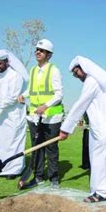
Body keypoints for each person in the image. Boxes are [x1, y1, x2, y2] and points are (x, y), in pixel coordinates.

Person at [59, 55, 106, 202]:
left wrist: (65, 129)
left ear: (83, 67)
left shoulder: (92, 81)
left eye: (76, 72)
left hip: (104, 125)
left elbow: (80, 105)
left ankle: (100, 192)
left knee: (100, 157)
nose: (75, 76)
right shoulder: (104, 79)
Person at [19, 39, 63, 187]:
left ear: (49, 55)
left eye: (42, 50)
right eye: (37, 49)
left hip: (52, 117)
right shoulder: (32, 70)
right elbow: (31, 90)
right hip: (34, 116)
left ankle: (54, 178)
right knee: (36, 147)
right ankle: (38, 176)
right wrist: (23, 96)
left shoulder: (53, 70)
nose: (38, 52)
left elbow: (59, 94)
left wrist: (45, 106)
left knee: (51, 148)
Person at [0, 49, 29, 179]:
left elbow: (12, 98)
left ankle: (14, 169)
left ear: (7, 61)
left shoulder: (16, 76)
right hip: (0, 116)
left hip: (13, 115)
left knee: (13, 142)